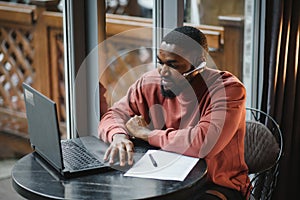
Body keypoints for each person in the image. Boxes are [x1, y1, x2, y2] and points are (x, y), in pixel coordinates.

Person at [98, 26, 250, 199]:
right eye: (160, 62)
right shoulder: (149, 82)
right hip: (163, 180)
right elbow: (113, 115)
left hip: (214, 185)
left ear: (198, 62)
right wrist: (118, 135)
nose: (162, 71)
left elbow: (204, 143)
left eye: (172, 65)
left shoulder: (228, 89)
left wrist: (147, 134)